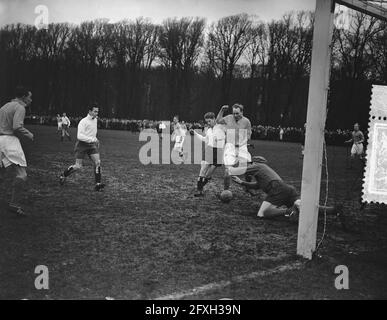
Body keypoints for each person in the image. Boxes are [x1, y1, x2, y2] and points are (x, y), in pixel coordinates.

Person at [230, 160, 342, 220]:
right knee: (303, 207)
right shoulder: (263, 174)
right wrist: (241, 182)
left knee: (262, 213)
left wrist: (229, 168)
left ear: (253, 163)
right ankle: (333, 210)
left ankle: (288, 211)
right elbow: (256, 185)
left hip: (277, 190)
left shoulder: (258, 165)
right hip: (287, 190)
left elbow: (240, 170)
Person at [0, 86, 34, 216]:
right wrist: (29, 134)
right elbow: (17, 126)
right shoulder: (20, 107)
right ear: (24, 97)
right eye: (30, 97)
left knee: (1, 174)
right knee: (21, 175)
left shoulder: (4, 106)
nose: (31, 100)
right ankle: (14, 204)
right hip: (9, 142)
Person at [59, 104, 105, 191]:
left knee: (97, 162)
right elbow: (79, 136)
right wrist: (92, 139)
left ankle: (98, 184)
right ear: (90, 111)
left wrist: (96, 139)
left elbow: (92, 133)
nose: (96, 113)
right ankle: (63, 174)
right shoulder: (83, 122)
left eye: (97, 111)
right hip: (82, 145)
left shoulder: (95, 120)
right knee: (78, 166)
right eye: (95, 111)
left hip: (91, 145)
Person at [216, 103, 252, 191]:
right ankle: (225, 191)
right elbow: (218, 120)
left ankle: (248, 186)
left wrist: (242, 143)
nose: (235, 115)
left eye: (237, 113)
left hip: (242, 147)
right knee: (227, 170)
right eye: (234, 113)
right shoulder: (228, 118)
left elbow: (248, 135)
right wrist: (222, 110)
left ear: (242, 112)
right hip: (230, 147)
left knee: (249, 169)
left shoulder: (247, 121)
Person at [190, 112, 226, 197]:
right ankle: (199, 190)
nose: (208, 123)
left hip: (219, 152)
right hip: (209, 150)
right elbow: (205, 139)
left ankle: (201, 186)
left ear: (214, 119)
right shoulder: (209, 130)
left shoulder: (221, 128)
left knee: (208, 175)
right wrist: (195, 133)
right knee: (203, 170)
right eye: (207, 122)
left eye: (209, 121)